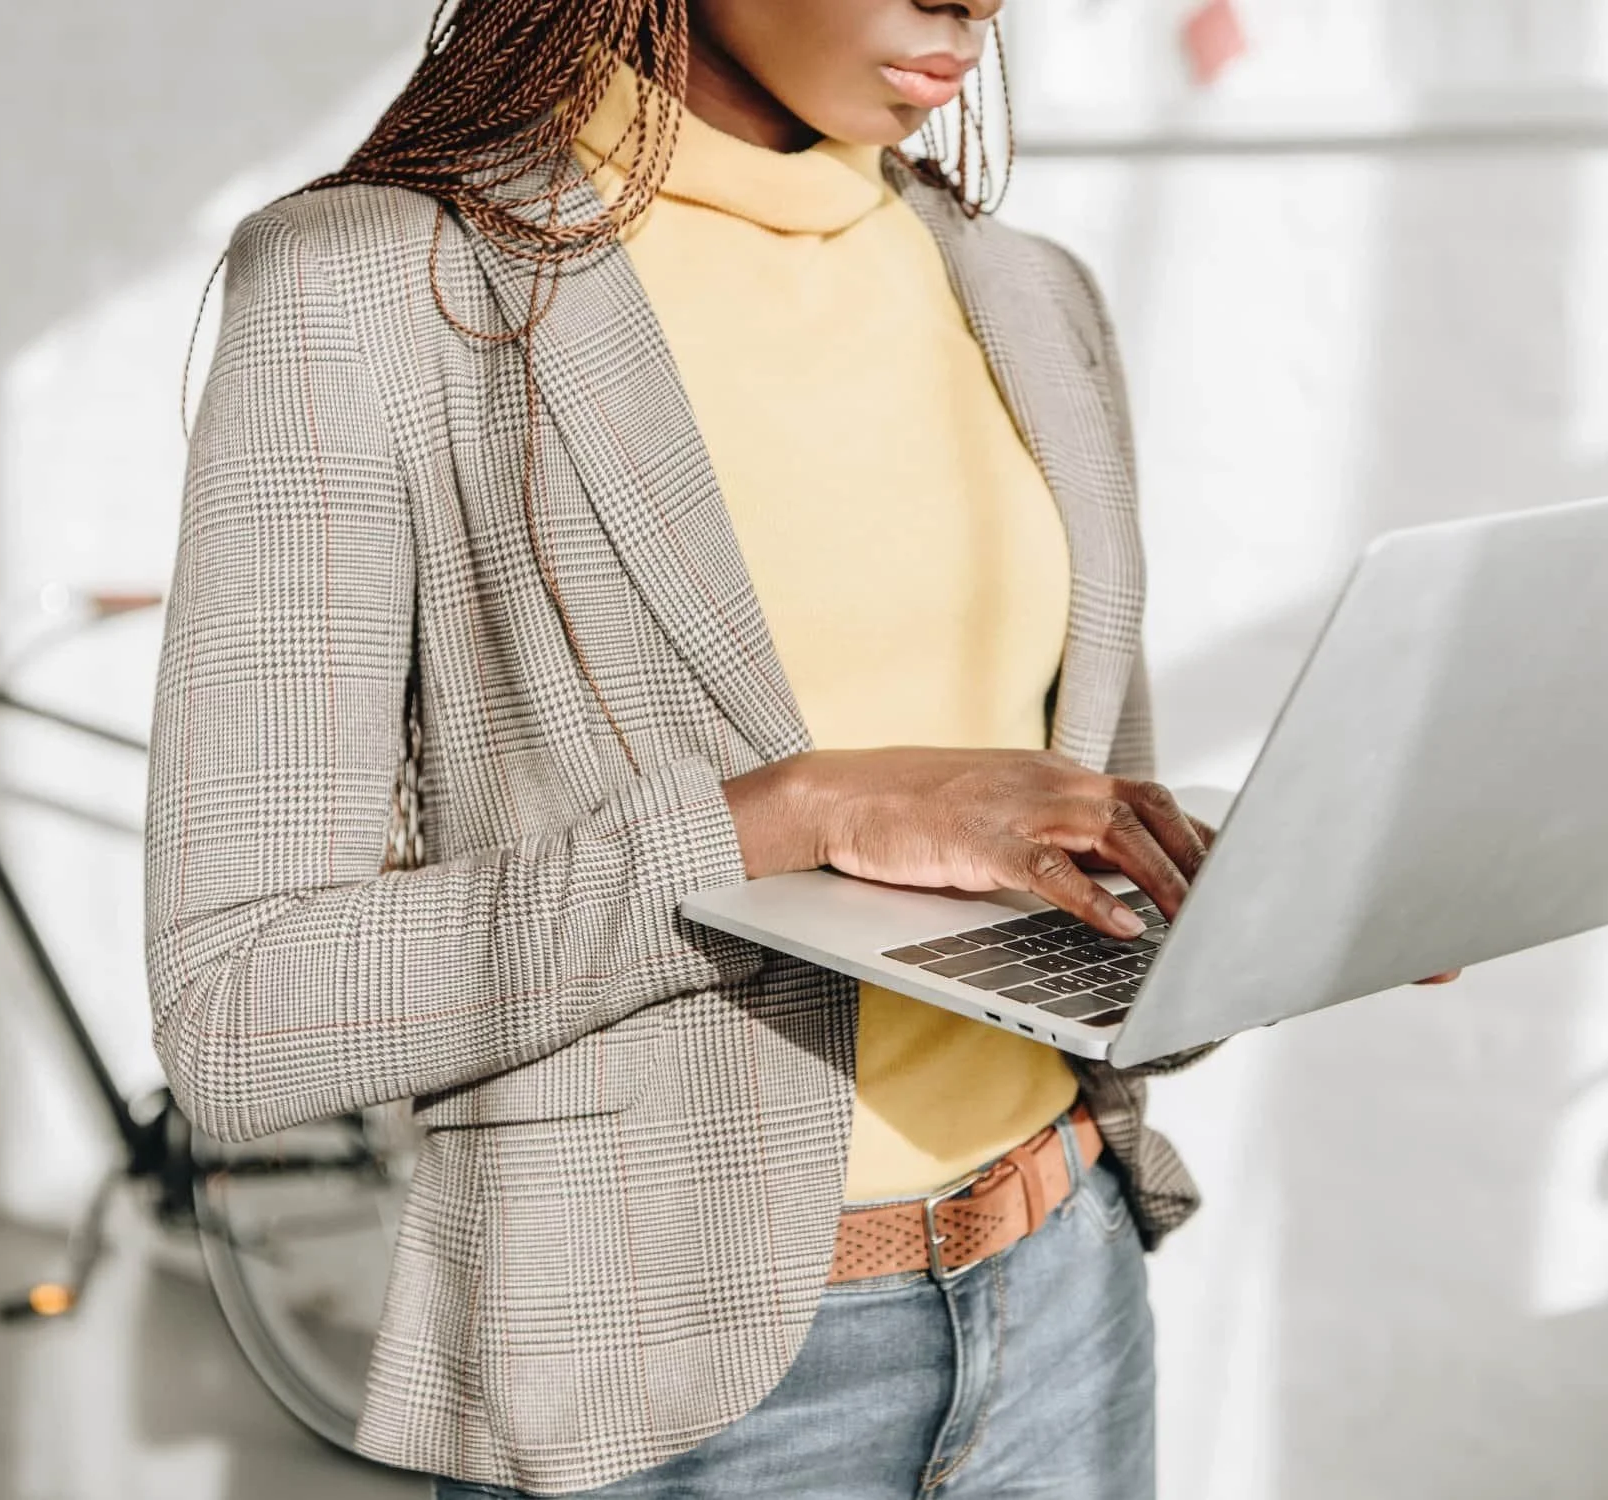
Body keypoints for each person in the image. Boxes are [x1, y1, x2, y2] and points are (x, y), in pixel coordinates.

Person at [147, 3, 1220, 1495]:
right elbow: (243, 1010)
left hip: (1066, 1302)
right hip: (672, 1394)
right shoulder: (373, 287)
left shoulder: (1031, 296)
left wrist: (1296, 904)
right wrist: (793, 814)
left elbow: (1091, 845)